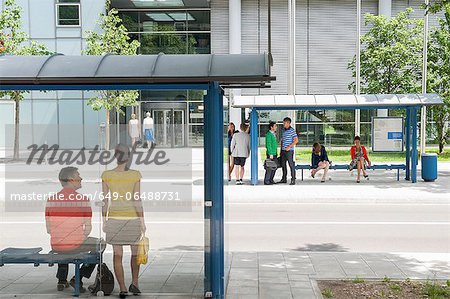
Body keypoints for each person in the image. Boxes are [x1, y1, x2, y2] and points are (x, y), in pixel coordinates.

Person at [45, 167, 104, 293]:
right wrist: (77, 237)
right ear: (72, 179)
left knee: (62, 239)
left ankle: (61, 280)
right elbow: (88, 229)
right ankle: (79, 277)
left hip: (56, 245)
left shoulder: (51, 200)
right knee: (100, 245)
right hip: (74, 245)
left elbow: (49, 229)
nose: (81, 178)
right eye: (78, 176)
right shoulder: (83, 200)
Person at [102, 144, 145, 298]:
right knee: (135, 254)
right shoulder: (135, 175)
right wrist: (142, 220)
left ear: (115, 156)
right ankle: (135, 283)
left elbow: (105, 200)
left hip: (114, 218)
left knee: (117, 254)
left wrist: (104, 220)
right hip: (132, 218)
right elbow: (137, 199)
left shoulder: (107, 175)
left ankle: (122, 288)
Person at [279, 117, 298, 185]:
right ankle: (284, 178)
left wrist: (289, 147)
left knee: (291, 165)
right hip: (283, 151)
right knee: (283, 165)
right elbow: (282, 140)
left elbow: (296, 140)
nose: (283, 124)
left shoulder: (292, 130)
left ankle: (293, 179)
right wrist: (281, 150)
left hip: (289, 151)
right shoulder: (283, 130)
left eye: (284, 123)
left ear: (288, 123)